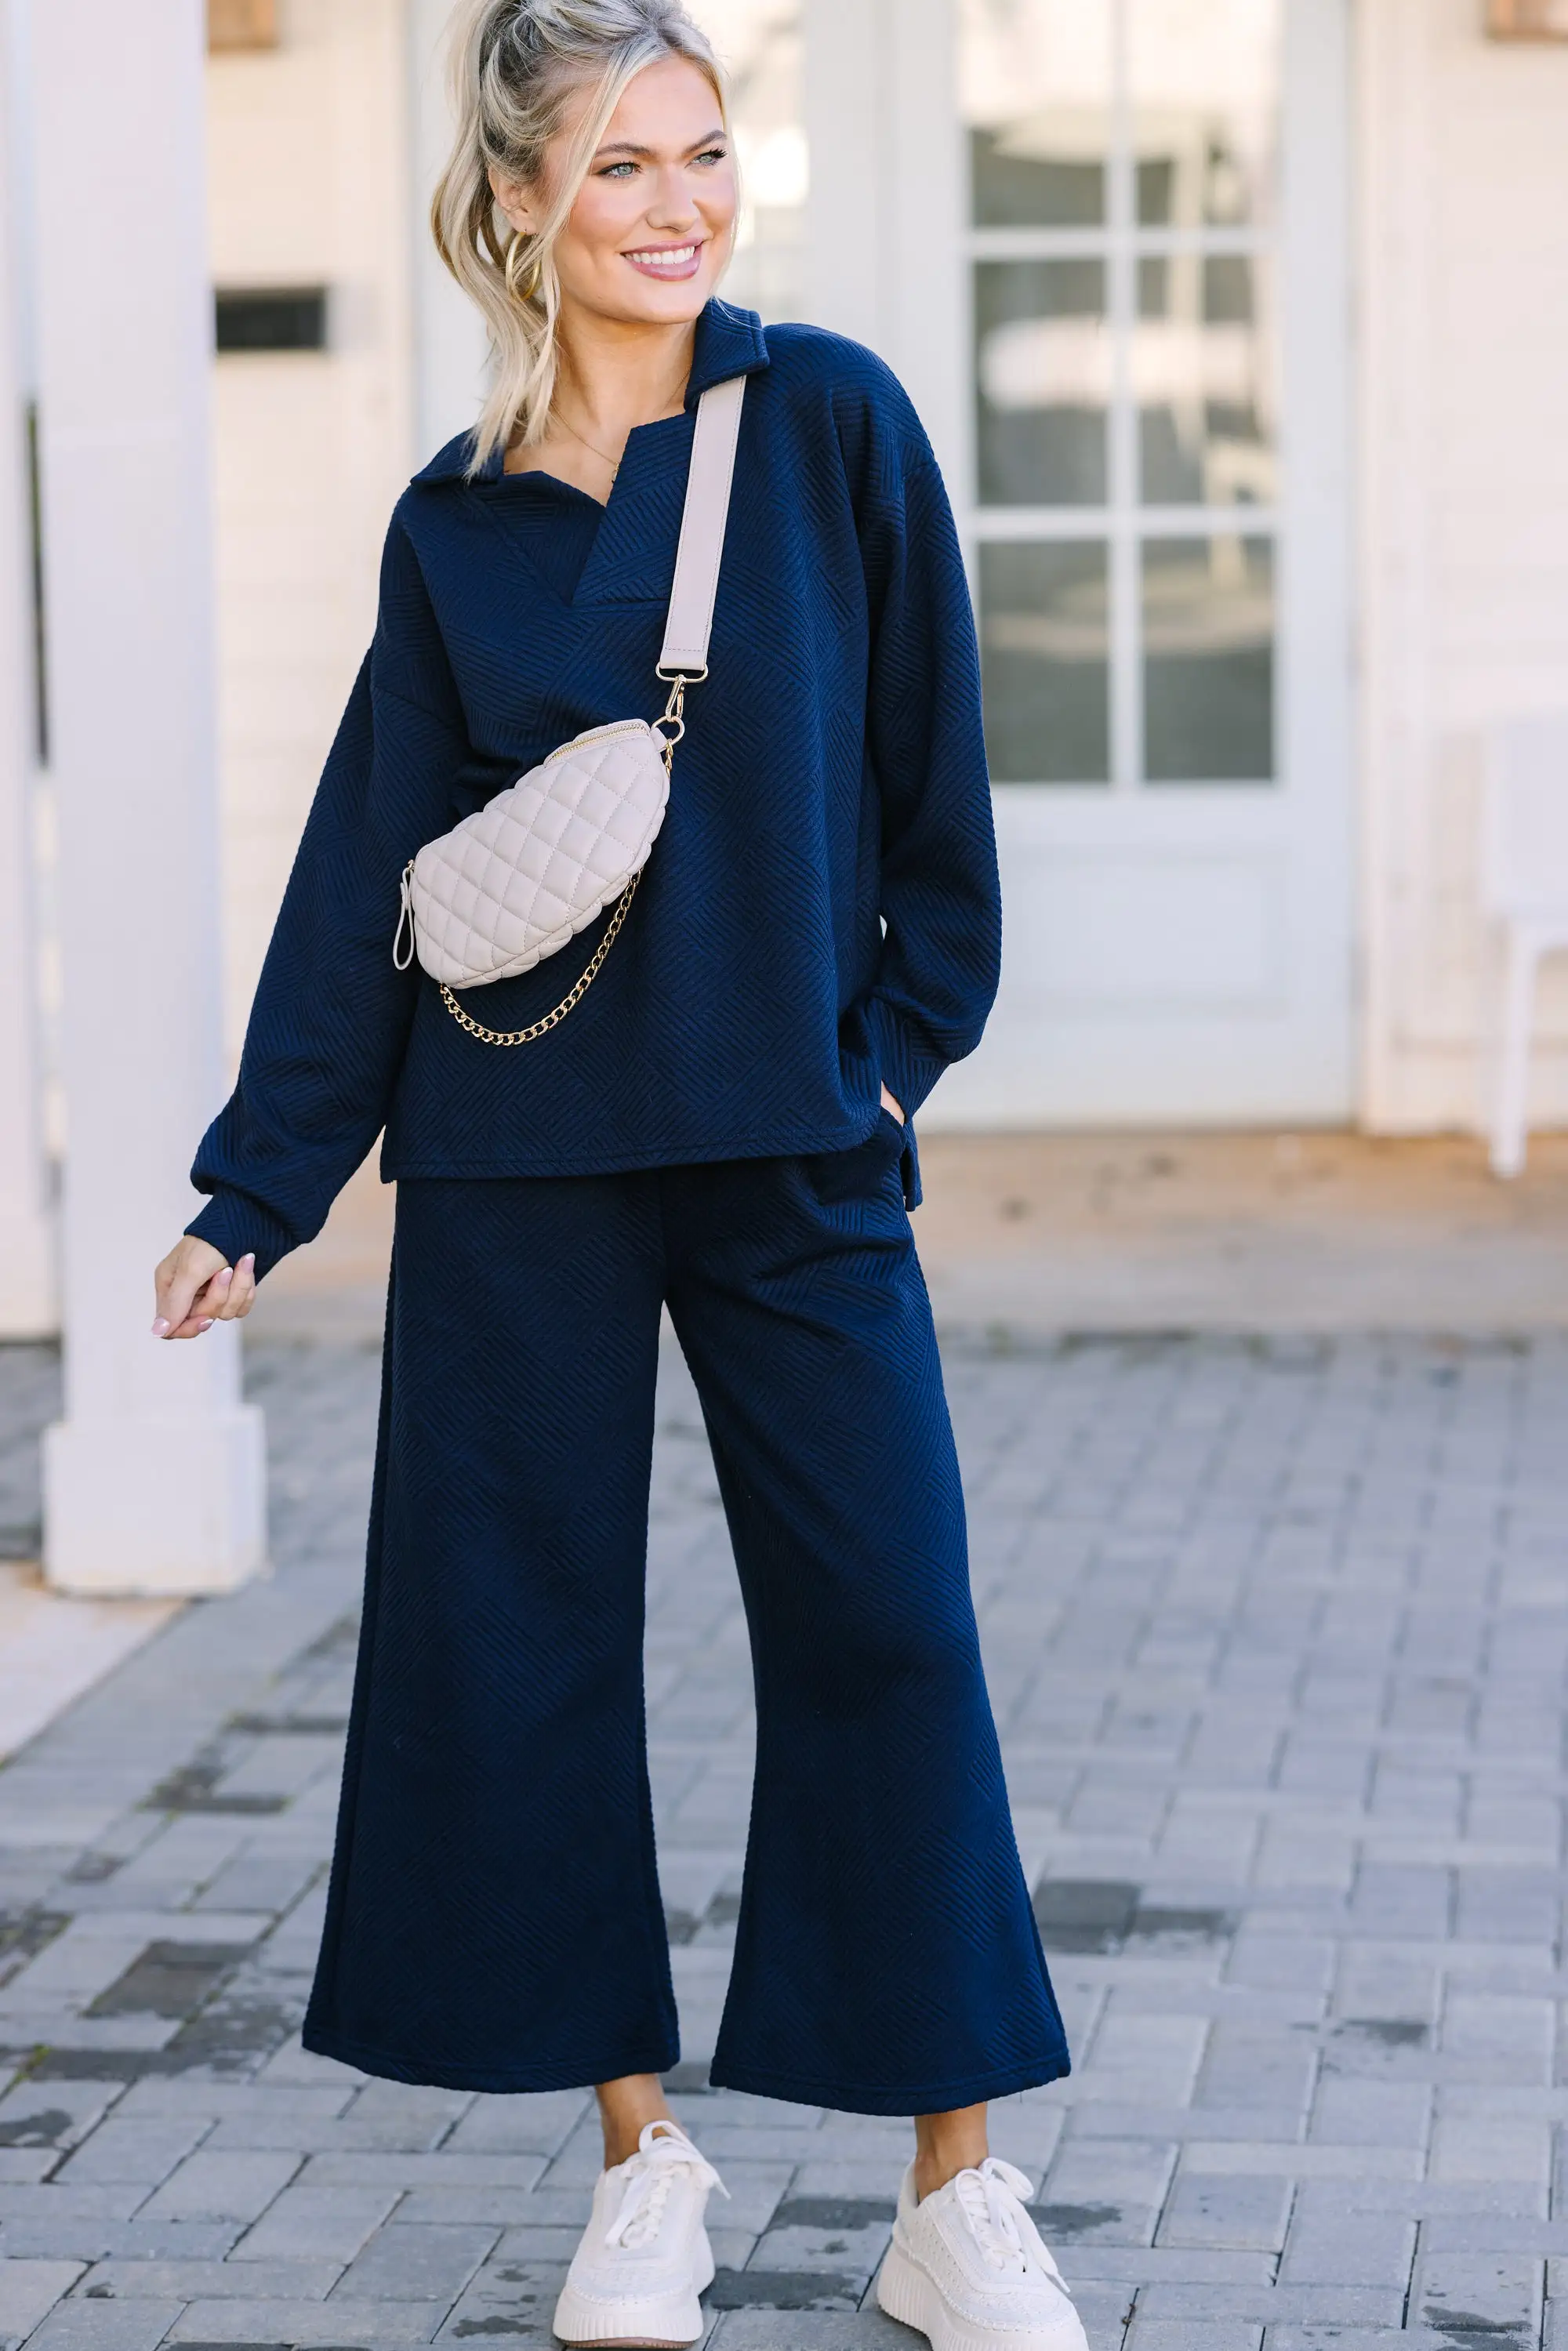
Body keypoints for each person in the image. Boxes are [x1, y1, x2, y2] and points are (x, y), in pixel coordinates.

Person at [152, 4, 1085, 2345]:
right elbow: (372, 863)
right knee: (527, 1646)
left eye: (702, 152)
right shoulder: (453, 531)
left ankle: (950, 2191)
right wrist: (259, 1184)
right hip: (521, 1163)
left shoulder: (832, 427)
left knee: (891, 1618)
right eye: (618, 170)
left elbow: (937, 806)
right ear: (520, 210)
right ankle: (637, 2159)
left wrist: (882, 1065)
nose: (678, 205)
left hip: (793, 1147)